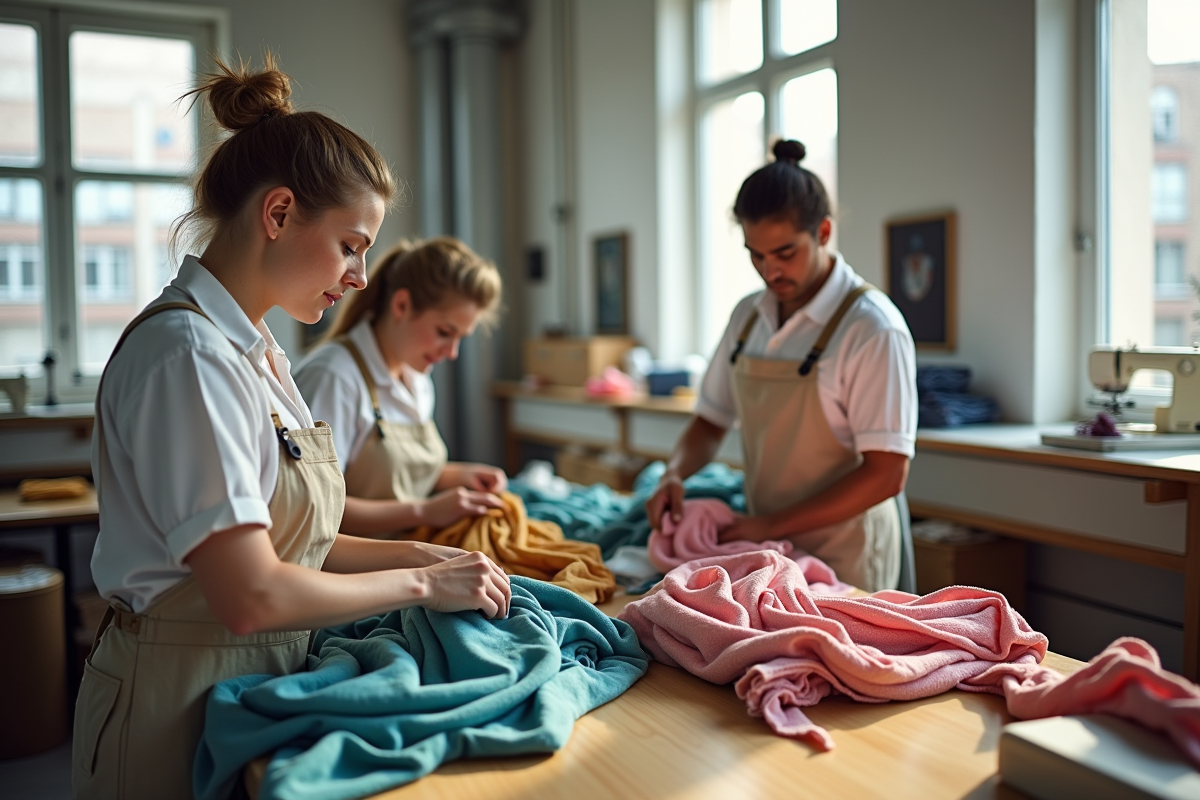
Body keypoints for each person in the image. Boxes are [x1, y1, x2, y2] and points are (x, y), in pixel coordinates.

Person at [73, 55, 511, 800]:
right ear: (277, 214)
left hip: (247, 686)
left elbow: (297, 544)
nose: (362, 277)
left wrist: (427, 557)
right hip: (172, 700)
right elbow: (252, 592)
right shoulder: (188, 356)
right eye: (351, 244)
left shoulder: (258, 355)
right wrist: (421, 581)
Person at [646, 139, 917, 592]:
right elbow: (710, 421)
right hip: (768, 542)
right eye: (757, 254)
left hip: (845, 548)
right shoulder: (748, 316)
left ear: (824, 232)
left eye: (785, 253)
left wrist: (768, 523)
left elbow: (886, 473)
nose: (770, 271)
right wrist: (673, 473)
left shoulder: (871, 328)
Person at [295, 237, 507, 535]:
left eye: (460, 338)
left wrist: (459, 476)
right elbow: (313, 507)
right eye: (445, 332)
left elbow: (399, 479)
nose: (452, 353)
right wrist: (425, 511)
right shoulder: (333, 377)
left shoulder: (417, 378)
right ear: (402, 304)